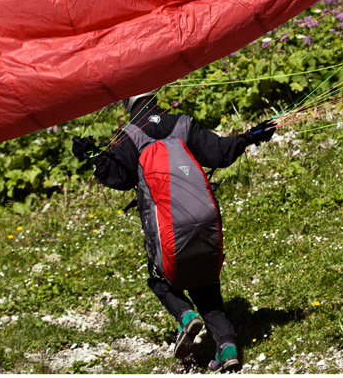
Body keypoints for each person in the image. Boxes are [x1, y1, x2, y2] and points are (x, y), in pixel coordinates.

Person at [72, 90, 276, 372]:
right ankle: (228, 348)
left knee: (159, 281)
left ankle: (185, 315)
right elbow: (219, 153)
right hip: (205, 221)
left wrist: (92, 153)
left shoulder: (131, 135)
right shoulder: (182, 123)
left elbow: (118, 177)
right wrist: (249, 137)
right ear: (155, 99)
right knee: (206, 285)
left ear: (128, 104)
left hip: (169, 228)